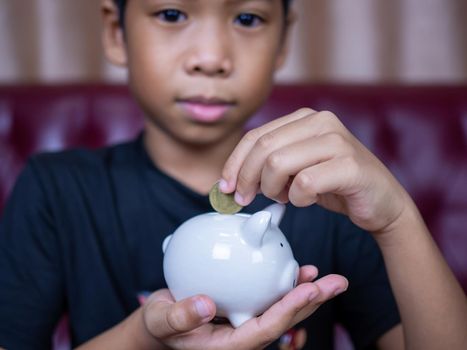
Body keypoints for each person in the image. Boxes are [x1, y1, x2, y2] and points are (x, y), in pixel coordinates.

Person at [0, 0, 466, 349]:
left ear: (283, 41)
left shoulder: (326, 195)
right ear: (116, 32)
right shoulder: (58, 188)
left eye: (247, 19)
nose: (211, 57)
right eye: (171, 13)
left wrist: (396, 220)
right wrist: (144, 337)